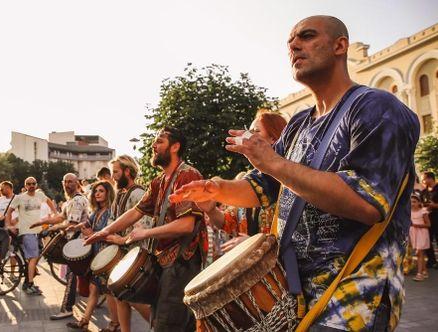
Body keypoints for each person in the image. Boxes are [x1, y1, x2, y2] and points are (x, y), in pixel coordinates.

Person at [170, 16, 419, 331]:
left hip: (353, 296)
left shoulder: (377, 107)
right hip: (293, 291)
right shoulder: (300, 122)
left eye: (307, 36)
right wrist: (217, 189)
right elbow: (269, 187)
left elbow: (365, 202)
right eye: (290, 42)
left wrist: (272, 161)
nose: (294, 46)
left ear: (340, 45)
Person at [86, 127, 207, 332]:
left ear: (175, 147)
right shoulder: (158, 182)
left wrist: (145, 233)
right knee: (172, 322)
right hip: (165, 261)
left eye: (160, 141)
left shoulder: (188, 175)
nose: (154, 145)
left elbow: (187, 225)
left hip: (182, 261)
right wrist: (105, 231)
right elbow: (137, 211)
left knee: (166, 324)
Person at [202, 112, 287, 252]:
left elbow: (298, 235)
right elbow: (228, 222)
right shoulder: (248, 179)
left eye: (256, 131)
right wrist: (211, 210)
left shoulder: (288, 178)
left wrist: (254, 243)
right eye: (249, 132)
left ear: (273, 138)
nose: (248, 137)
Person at [104, 155, 153, 332]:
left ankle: (161, 327)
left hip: (136, 254)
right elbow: (112, 220)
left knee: (133, 298)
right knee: (121, 297)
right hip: (124, 253)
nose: (113, 176)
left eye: (115, 172)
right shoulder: (120, 195)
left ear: (127, 171)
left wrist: (120, 239)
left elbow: (144, 229)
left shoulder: (139, 193)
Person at [31, 173, 89, 320]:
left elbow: (72, 224)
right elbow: (61, 217)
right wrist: (41, 223)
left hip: (78, 243)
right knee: (78, 274)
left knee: (72, 274)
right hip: (76, 243)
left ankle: (67, 308)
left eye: (71, 182)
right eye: (65, 182)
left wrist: (51, 229)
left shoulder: (77, 201)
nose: (67, 184)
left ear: (77, 183)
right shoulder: (69, 201)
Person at [66, 181, 115, 330]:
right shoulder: (97, 212)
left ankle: (115, 323)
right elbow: (86, 223)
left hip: (107, 256)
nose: (97, 193)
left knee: (109, 292)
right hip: (96, 256)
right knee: (96, 289)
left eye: (101, 191)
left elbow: (111, 234)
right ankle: (86, 321)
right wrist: (76, 226)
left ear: (108, 193)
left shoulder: (110, 212)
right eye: (95, 191)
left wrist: (92, 234)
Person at [5, 177, 48, 295]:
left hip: (36, 232)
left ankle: (26, 282)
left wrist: (55, 213)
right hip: (26, 232)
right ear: (25, 185)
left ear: (36, 184)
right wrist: (9, 225)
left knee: (32, 259)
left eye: (33, 183)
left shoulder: (39, 196)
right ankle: (30, 284)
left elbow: (49, 201)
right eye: (28, 184)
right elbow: (9, 212)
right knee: (33, 258)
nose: (31, 185)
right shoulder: (20, 197)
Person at [410, 194, 431, 282]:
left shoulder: (423, 211)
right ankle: (425, 271)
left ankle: (419, 274)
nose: (412, 204)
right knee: (419, 253)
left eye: (414, 202)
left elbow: (428, 224)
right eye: (411, 202)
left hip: (421, 233)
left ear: (419, 202)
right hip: (413, 233)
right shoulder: (409, 211)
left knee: (419, 253)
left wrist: (417, 225)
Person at [421, 171, 438, 268]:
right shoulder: (425, 191)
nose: (423, 181)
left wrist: (434, 205)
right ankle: (432, 261)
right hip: (428, 218)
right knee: (427, 239)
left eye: (424, 178)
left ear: (430, 178)